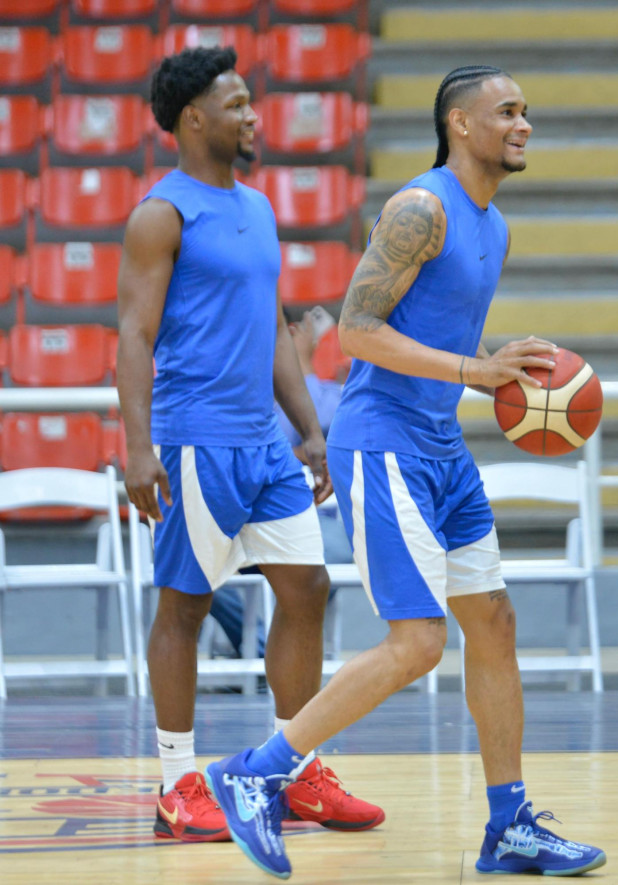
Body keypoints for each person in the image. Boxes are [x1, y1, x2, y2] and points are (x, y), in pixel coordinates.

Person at [205, 65, 607, 878]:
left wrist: (488, 371)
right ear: (460, 124)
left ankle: (510, 826)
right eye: (506, 111)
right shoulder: (421, 208)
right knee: (419, 640)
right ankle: (256, 772)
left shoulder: (492, 222)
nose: (523, 124)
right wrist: (476, 370)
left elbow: (446, 346)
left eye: (527, 111)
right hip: (382, 441)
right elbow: (354, 331)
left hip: (440, 446)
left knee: (490, 621)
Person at [116, 45, 383, 844]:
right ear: (194, 118)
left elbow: (272, 332)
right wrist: (137, 447)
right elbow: (133, 334)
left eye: (250, 103)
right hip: (196, 440)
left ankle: (292, 770)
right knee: (186, 607)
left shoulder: (259, 208)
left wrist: (310, 429)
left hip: (266, 445)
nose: (252, 115)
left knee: (307, 587)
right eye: (236, 105)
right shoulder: (161, 214)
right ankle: (175, 783)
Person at [209, 308, 351, 660]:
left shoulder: (329, 392)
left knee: (326, 559)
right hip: (237, 520)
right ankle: (262, 648)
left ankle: (268, 652)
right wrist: (296, 453)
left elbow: (325, 426)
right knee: (193, 565)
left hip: (307, 519)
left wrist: (301, 366)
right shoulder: (234, 386)